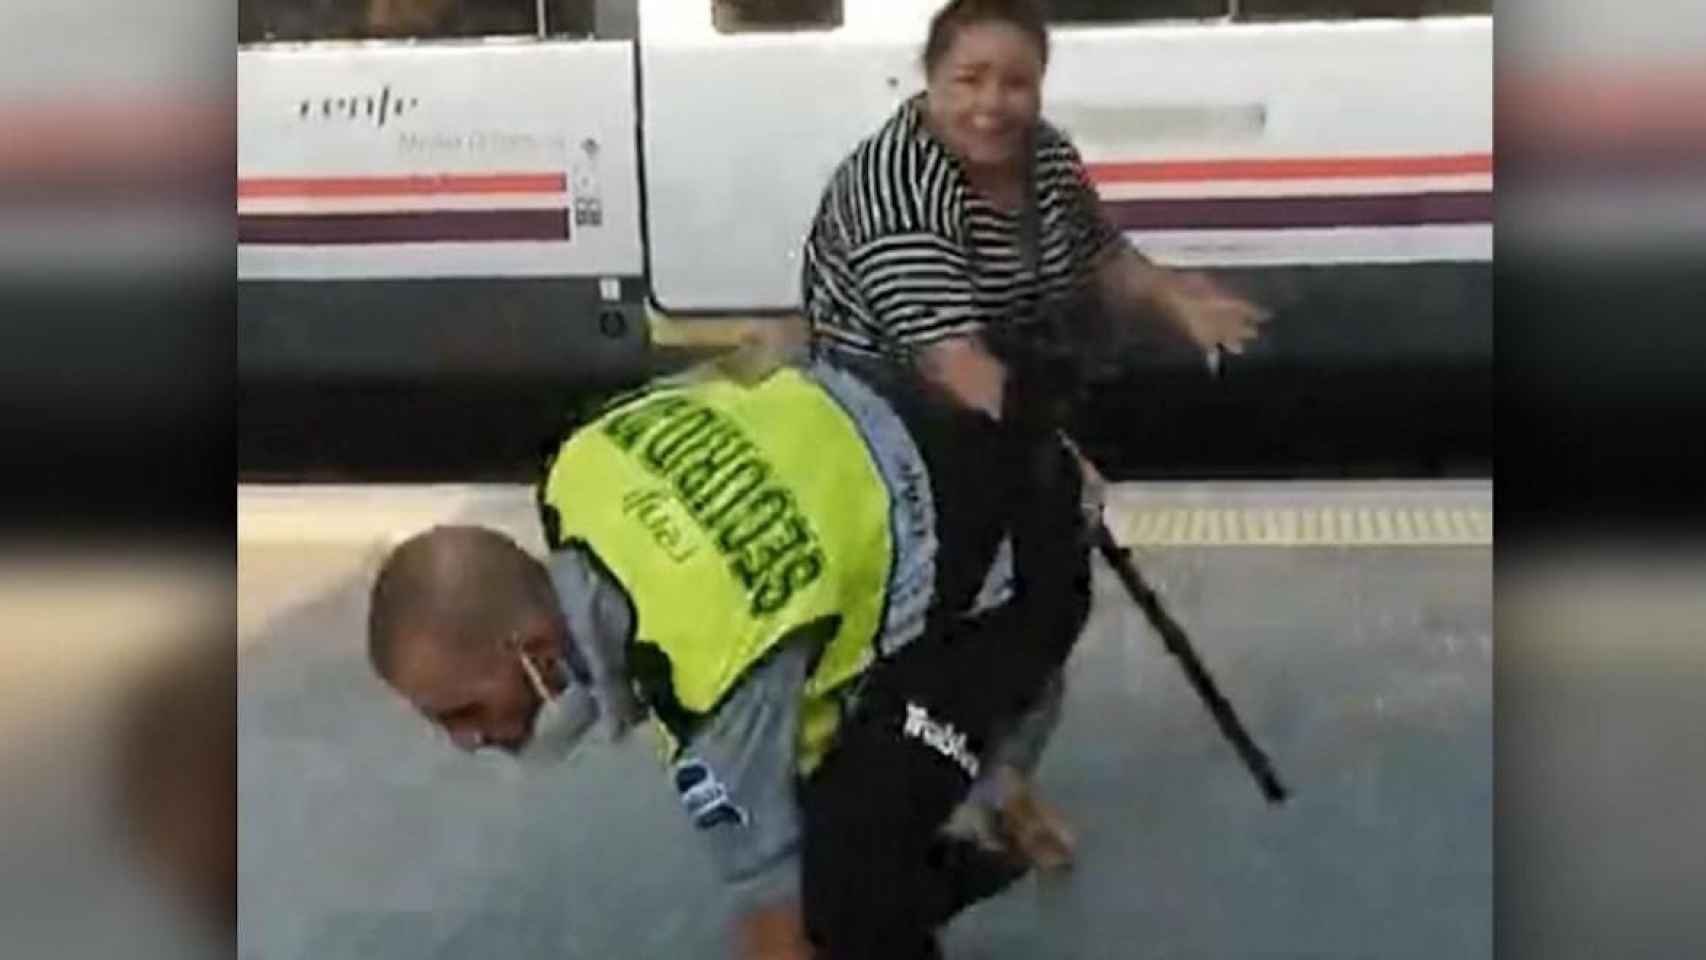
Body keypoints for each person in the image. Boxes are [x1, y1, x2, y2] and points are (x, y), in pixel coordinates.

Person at [367, 356, 1092, 959]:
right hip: (948, 419)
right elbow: (744, 365)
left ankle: (986, 796)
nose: (466, 740)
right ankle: (984, 781)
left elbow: (776, 926)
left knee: (840, 896)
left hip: (1024, 563)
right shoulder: (582, 465)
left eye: (465, 711)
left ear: (534, 650)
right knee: (841, 746)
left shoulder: (707, 668)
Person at [798, 0, 1270, 860]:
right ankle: (893, 801)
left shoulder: (1044, 155)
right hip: (888, 421)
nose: (993, 104)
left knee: (1050, 600)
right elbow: (949, 361)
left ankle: (999, 781)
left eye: (1015, 82)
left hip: (1007, 395)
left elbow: (1100, 255)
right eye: (969, 80)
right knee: (930, 625)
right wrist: (1050, 447)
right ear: (928, 79)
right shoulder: (895, 184)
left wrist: (1175, 298)